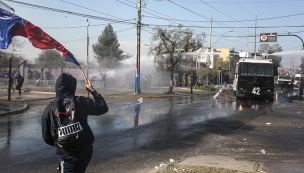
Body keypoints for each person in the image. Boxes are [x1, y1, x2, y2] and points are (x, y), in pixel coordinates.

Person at [42, 73, 108, 173]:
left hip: (68, 155)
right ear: (72, 86)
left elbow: (47, 137)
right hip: (86, 151)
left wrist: (62, 142)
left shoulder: (49, 109)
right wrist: (93, 91)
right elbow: (102, 107)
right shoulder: (81, 101)